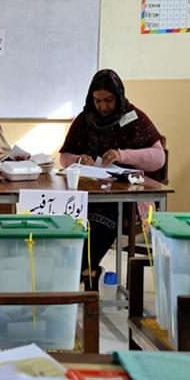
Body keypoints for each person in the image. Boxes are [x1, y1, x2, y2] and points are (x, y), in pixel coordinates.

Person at [59, 69, 165, 290]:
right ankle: (86, 271)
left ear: (118, 96)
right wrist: (78, 159)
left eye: (108, 100)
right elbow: (64, 157)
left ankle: (82, 270)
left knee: (101, 215)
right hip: (88, 191)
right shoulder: (85, 119)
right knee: (70, 217)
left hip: (125, 197)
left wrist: (122, 155)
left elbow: (158, 158)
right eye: (97, 100)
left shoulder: (134, 118)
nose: (103, 106)